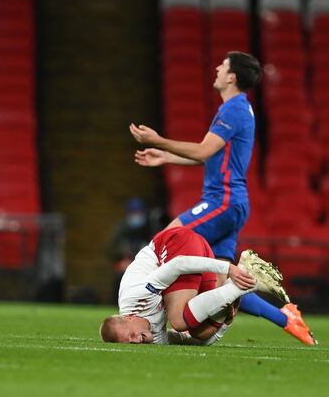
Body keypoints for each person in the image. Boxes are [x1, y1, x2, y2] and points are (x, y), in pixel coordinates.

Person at [130, 51, 316, 345]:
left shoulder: (234, 110)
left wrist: (157, 140)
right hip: (232, 203)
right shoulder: (238, 108)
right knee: (225, 283)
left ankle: (146, 317)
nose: (216, 68)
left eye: (223, 66)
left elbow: (204, 151)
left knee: (168, 240)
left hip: (223, 201)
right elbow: (213, 156)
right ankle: (286, 318)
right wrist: (166, 156)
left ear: (232, 76)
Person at [100, 226, 287, 345]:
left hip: (174, 244)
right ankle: (244, 282)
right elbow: (194, 341)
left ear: (130, 318)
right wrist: (224, 324)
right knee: (201, 331)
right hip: (194, 253)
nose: (136, 342)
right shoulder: (154, 339)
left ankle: (246, 282)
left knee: (179, 320)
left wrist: (227, 268)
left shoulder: (137, 297)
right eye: (129, 343)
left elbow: (178, 264)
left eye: (131, 336)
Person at [107, 197, 155, 298]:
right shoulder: (121, 228)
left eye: (139, 212)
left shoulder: (151, 228)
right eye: (133, 212)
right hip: (126, 265)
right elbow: (110, 249)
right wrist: (122, 255)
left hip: (148, 266)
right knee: (120, 276)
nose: (136, 216)